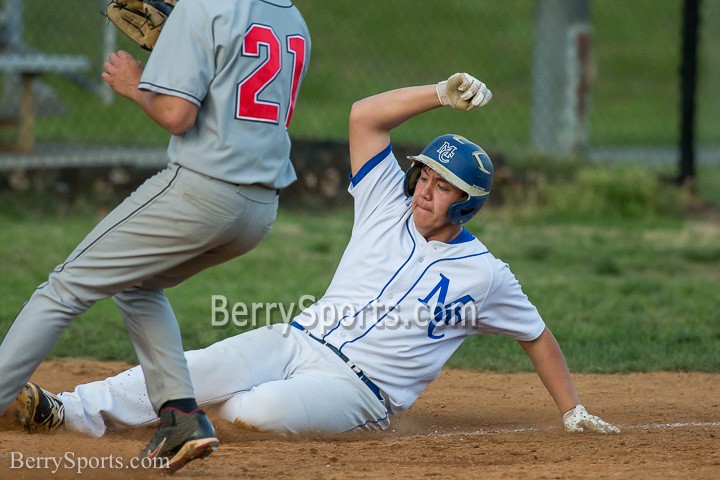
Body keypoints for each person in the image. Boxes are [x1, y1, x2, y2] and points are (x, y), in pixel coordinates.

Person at [15, 72, 619, 451]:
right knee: (196, 366)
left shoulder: (485, 275)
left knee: (252, 410)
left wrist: (573, 410)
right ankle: (68, 410)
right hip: (295, 338)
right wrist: (438, 95)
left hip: (360, 393)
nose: (424, 190)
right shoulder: (386, 202)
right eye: (424, 176)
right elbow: (364, 115)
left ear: (468, 205)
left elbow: (536, 335)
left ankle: (198, 414)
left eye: (443, 186)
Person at [1, 0, 310, 472]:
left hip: (202, 191)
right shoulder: (291, 18)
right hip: (259, 209)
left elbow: (175, 114)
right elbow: (233, 90)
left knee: (64, 288)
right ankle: (181, 416)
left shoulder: (204, 6)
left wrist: (134, 84)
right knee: (137, 282)